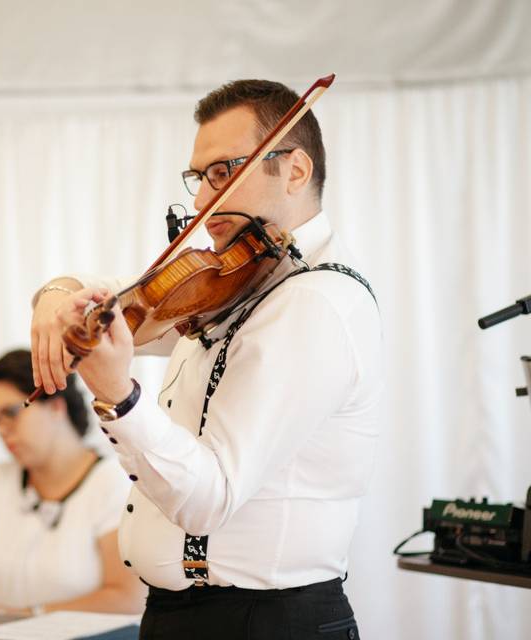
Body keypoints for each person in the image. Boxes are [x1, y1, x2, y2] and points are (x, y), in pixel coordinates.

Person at [30, 80, 382, 639]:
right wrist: (54, 297)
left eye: (223, 173)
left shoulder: (315, 302)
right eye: (199, 178)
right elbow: (113, 294)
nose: (200, 203)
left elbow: (210, 498)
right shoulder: (240, 278)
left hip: (264, 624)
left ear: (294, 170)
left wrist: (120, 396)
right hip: (187, 618)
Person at [0, 349, 146, 615]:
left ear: (57, 406)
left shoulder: (114, 482)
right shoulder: (1, 478)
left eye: (10, 413)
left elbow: (128, 598)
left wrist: (30, 615)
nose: (2, 431)